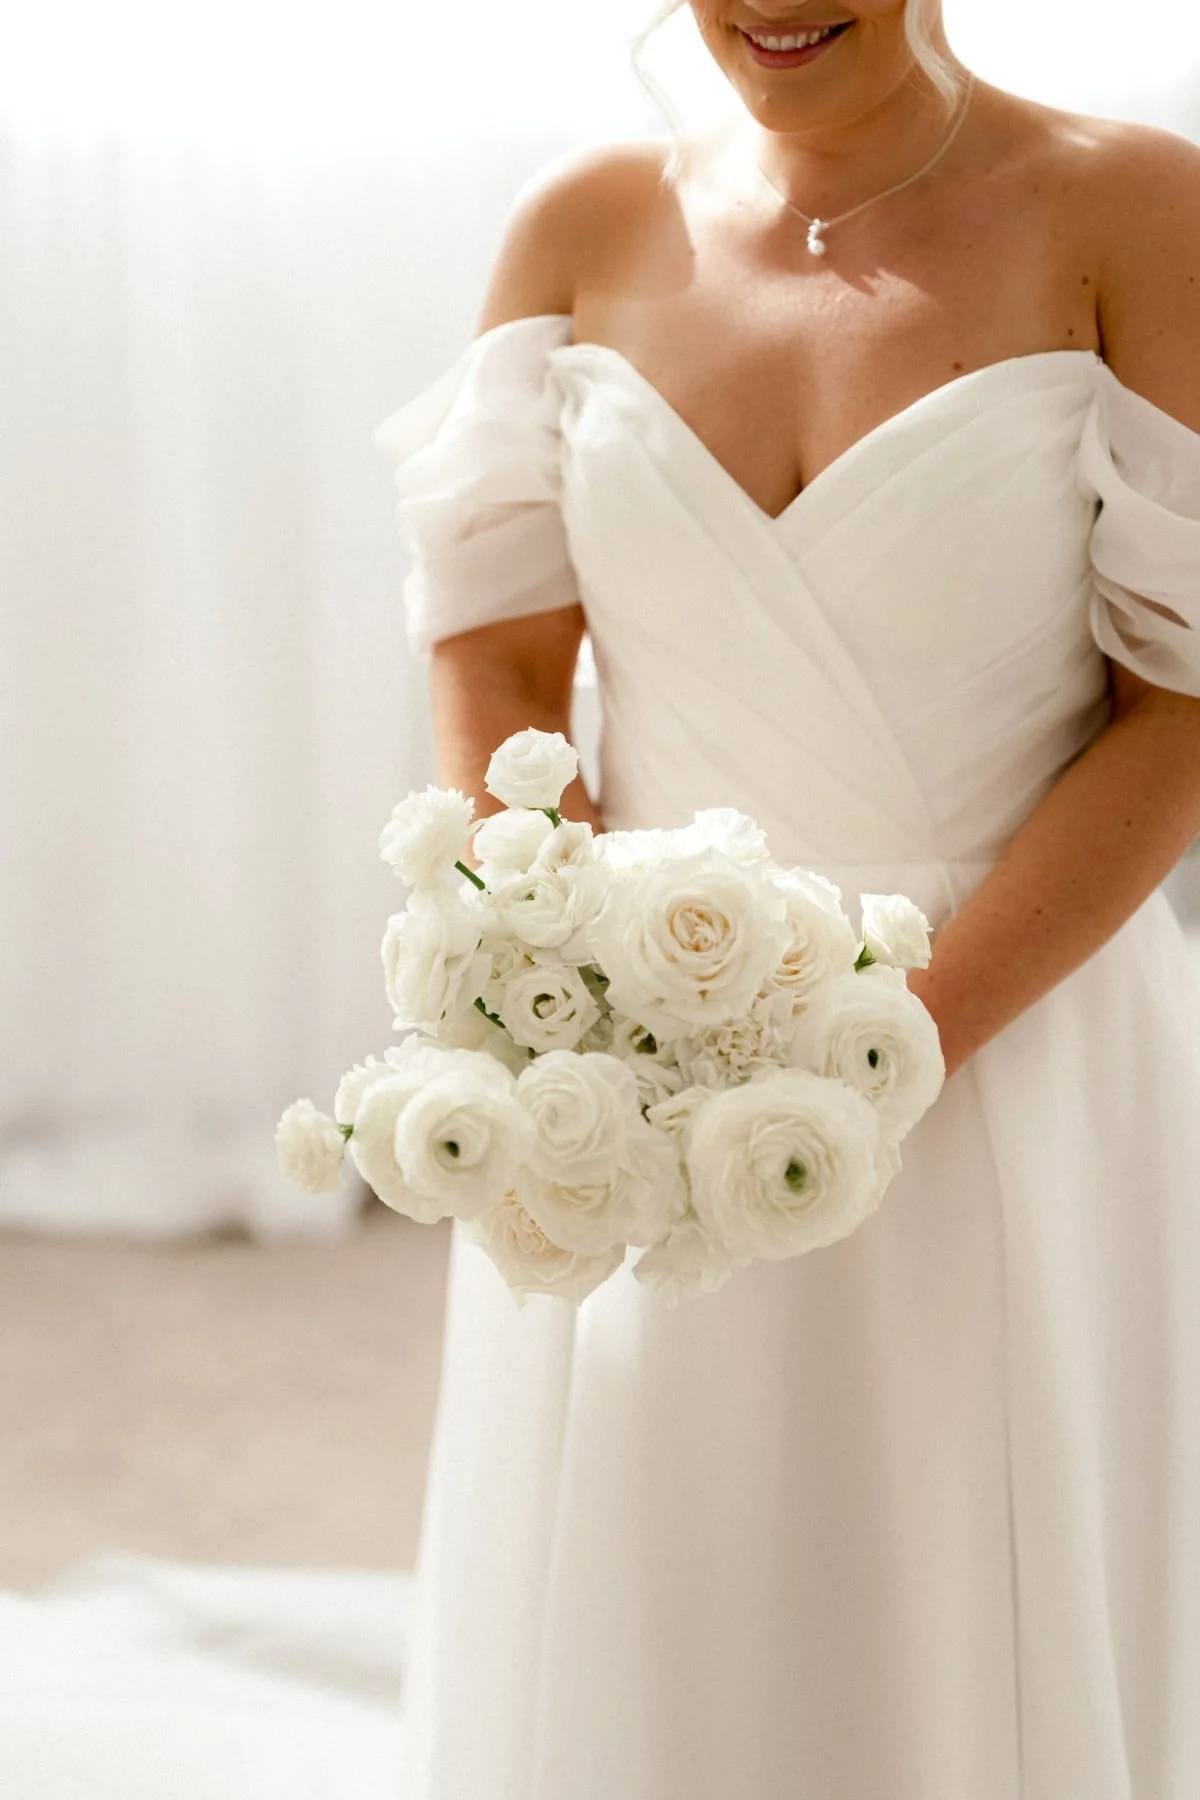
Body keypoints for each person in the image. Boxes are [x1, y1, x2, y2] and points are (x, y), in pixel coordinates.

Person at [373, 3, 1200, 1794]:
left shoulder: (1133, 209)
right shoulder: (582, 223)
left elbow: (1180, 710)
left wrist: (887, 1049)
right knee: (658, 1571)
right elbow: (501, 655)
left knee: (969, 1570)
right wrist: (546, 974)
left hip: (1018, 1028)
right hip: (634, 1055)